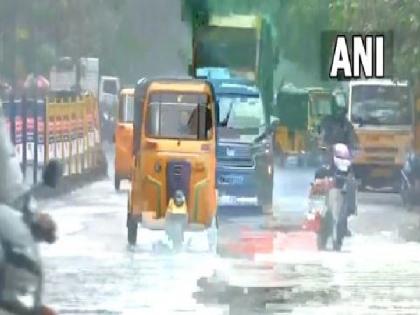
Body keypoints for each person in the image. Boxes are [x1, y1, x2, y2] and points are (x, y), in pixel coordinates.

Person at [317, 90, 359, 237]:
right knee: (318, 179)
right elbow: (320, 137)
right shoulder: (326, 122)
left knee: (351, 182)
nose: (340, 110)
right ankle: (316, 213)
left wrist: (354, 151)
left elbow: (354, 142)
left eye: (342, 107)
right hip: (327, 161)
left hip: (343, 162)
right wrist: (322, 147)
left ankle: (345, 218)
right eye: (338, 106)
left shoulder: (347, 125)